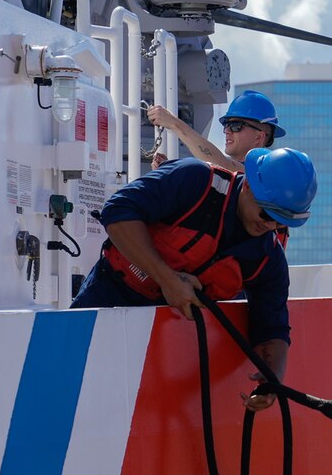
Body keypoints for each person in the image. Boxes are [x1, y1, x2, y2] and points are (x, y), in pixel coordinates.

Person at [71, 146, 317, 412]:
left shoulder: (268, 261)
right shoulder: (194, 180)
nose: (270, 226)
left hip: (173, 349)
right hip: (109, 298)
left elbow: (273, 328)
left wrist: (273, 379)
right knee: (69, 387)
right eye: (267, 214)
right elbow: (118, 211)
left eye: (282, 222)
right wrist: (166, 279)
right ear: (248, 187)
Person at [146, 89, 285, 173]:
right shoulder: (224, 178)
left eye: (235, 126)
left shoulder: (263, 171)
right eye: (226, 125)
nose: (227, 131)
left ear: (258, 137)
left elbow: (221, 164)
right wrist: (168, 171)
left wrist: (173, 123)